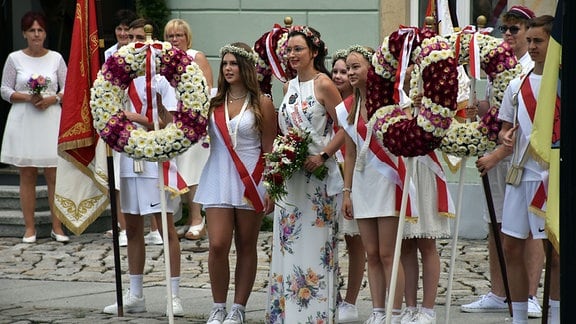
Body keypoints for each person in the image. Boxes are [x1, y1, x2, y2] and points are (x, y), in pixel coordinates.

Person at [462, 5, 544, 318]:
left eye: (515, 29)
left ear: (529, 33)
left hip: (524, 157)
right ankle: (499, 291)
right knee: (496, 221)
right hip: (497, 149)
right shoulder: (500, 67)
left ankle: (531, 293)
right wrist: (478, 107)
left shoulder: (533, 66)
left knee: (529, 228)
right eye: (504, 29)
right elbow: (499, 108)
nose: (507, 35)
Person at [102, 18, 184, 316]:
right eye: (130, 36)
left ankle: (173, 295)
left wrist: (144, 120)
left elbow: (174, 121)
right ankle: (136, 293)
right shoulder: (115, 76)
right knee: (132, 226)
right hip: (126, 156)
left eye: (140, 37)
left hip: (154, 157)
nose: (134, 41)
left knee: (165, 227)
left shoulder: (162, 77)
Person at [266, 26, 344, 323]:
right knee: (289, 244)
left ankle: (315, 315)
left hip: (318, 180)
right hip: (292, 179)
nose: (292, 54)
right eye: (288, 50)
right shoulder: (288, 87)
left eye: (298, 49)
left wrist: (323, 155)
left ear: (314, 51)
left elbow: (345, 129)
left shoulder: (323, 84)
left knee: (314, 245)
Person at [194, 42, 276, 324]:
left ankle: (238, 308)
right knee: (217, 244)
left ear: (246, 68)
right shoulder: (213, 99)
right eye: (225, 63)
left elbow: (269, 148)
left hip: (250, 178)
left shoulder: (262, 102)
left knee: (246, 244)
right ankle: (218, 306)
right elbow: (187, 125)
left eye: (234, 64)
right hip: (218, 174)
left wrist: (271, 187)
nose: (228, 68)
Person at [497, 15, 559, 324]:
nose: (532, 47)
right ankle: (519, 316)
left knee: (555, 252)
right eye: (530, 41)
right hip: (520, 176)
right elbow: (506, 128)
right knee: (511, 246)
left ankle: (557, 315)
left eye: (539, 41)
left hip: (549, 178)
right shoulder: (516, 83)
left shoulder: (560, 82)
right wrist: (504, 137)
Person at [338, 45, 404, 324]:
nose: (351, 72)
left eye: (356, 67)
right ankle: (377, 311)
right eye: (348, 67)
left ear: (371, 68)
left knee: (389, 253)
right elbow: (350, 152)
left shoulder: (389, 101)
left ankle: (395, 311)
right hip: (362, 184)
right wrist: (347, 192)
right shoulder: (347, 108)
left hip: (386, 179)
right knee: (372, 253)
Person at [0, 11, 69, 243]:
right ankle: (30, 228)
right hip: (24, 119)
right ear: (24, 33)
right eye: (32, 30)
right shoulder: (14, 58)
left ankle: (57, 227)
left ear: (45, 33)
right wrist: (28, 97)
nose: (36, 34)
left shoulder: (56, 58)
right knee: (27, 172)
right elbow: (5, 90)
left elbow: (68, 88)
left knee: (53, 173)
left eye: (40, 30)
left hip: (50, 118)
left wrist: (52, 98)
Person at [399, 71, 454, 324]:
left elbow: (446, 131)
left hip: (424, 171)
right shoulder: (392, 95)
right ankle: (409, 306)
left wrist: (426, 109)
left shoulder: (434, 96)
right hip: (401, 171)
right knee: (405, 244)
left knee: (426, 242)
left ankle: (428, 308)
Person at [163, 18, 213, 241]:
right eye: (170, 36)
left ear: (187, 37)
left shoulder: (196, 57)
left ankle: (197, 219)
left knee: (192, 172)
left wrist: (199, 120)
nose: (175, 40)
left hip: (192, 124)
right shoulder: (162, 60)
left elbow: (208, 90)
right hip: (170, 123)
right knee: (176, 173)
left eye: (179, 35)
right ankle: (183, 219)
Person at [331, 48, 366, 323]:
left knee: (355, 242)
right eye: (338, 71)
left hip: (352, 178)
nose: (341, 75)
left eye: (346, 70)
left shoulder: (360, 104)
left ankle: (351, 301)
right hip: (328, 180)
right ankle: (329, 294)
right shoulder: (329, 103)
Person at [102, 9, 138, 247]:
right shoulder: (109, 54)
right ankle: (123, 226)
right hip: (119, 119)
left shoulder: (143, 53)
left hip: (139, 116)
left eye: (127, 29)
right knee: (117, 177)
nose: (123, 33)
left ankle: (152, 227)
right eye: (120, 29)